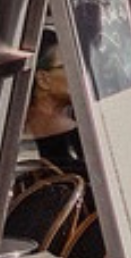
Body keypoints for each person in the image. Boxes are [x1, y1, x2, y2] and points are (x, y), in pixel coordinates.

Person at [24, 30, 85, 178]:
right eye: (68, 66)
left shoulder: (20, 122)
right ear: (43, 80)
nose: (79, 72)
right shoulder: (70, 130)